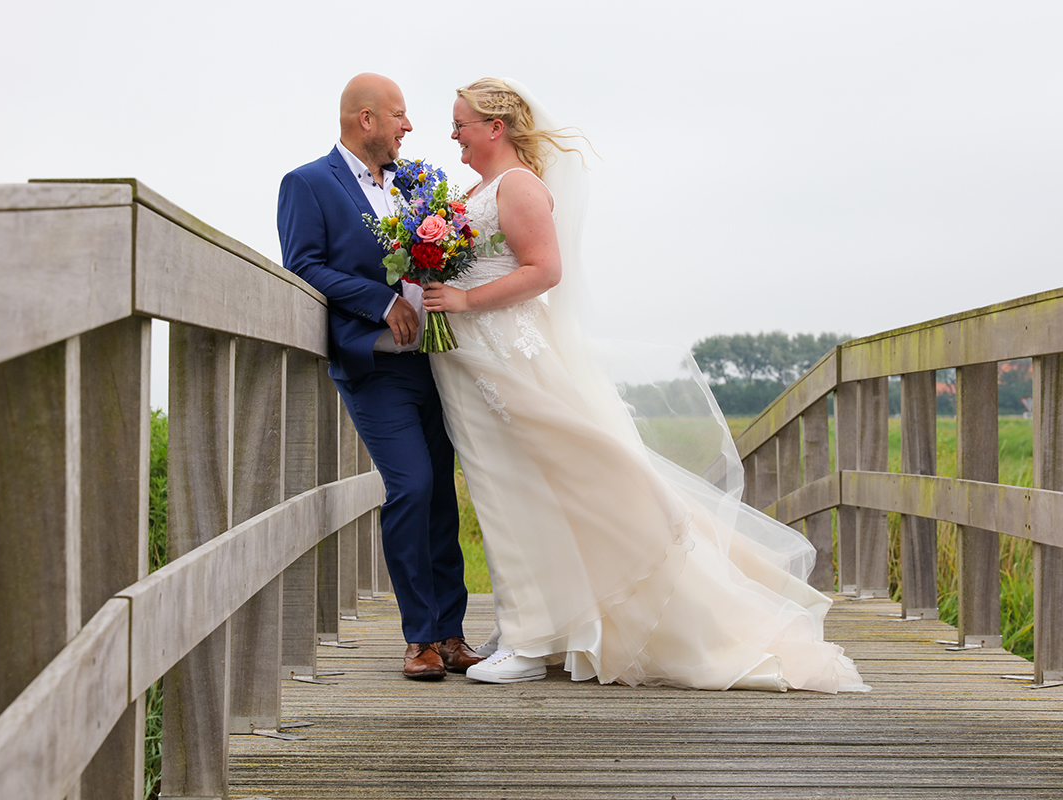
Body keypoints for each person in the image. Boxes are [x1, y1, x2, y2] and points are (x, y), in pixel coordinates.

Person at [421, 78, 869, 692]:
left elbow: (545, 269)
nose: (453, 135)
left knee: (524, 489)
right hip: (474, 363)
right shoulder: (478, 190)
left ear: (494, 127)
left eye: (460, 123)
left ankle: (529, 641)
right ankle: (536, 624)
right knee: (509, 493)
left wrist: (465, 298)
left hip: (511, 363)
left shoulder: (519, 186)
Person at [277, 73, 483, 680]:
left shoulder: (418, 183)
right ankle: (417, 638)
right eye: (399, 115)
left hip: (436, 365)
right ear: (365, 119)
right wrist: (378, 300)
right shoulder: (309, 184)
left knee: (442, 494)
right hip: (373, 366)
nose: (409, 127)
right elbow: (303, 264)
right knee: (413, 486)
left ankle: (450, 633)